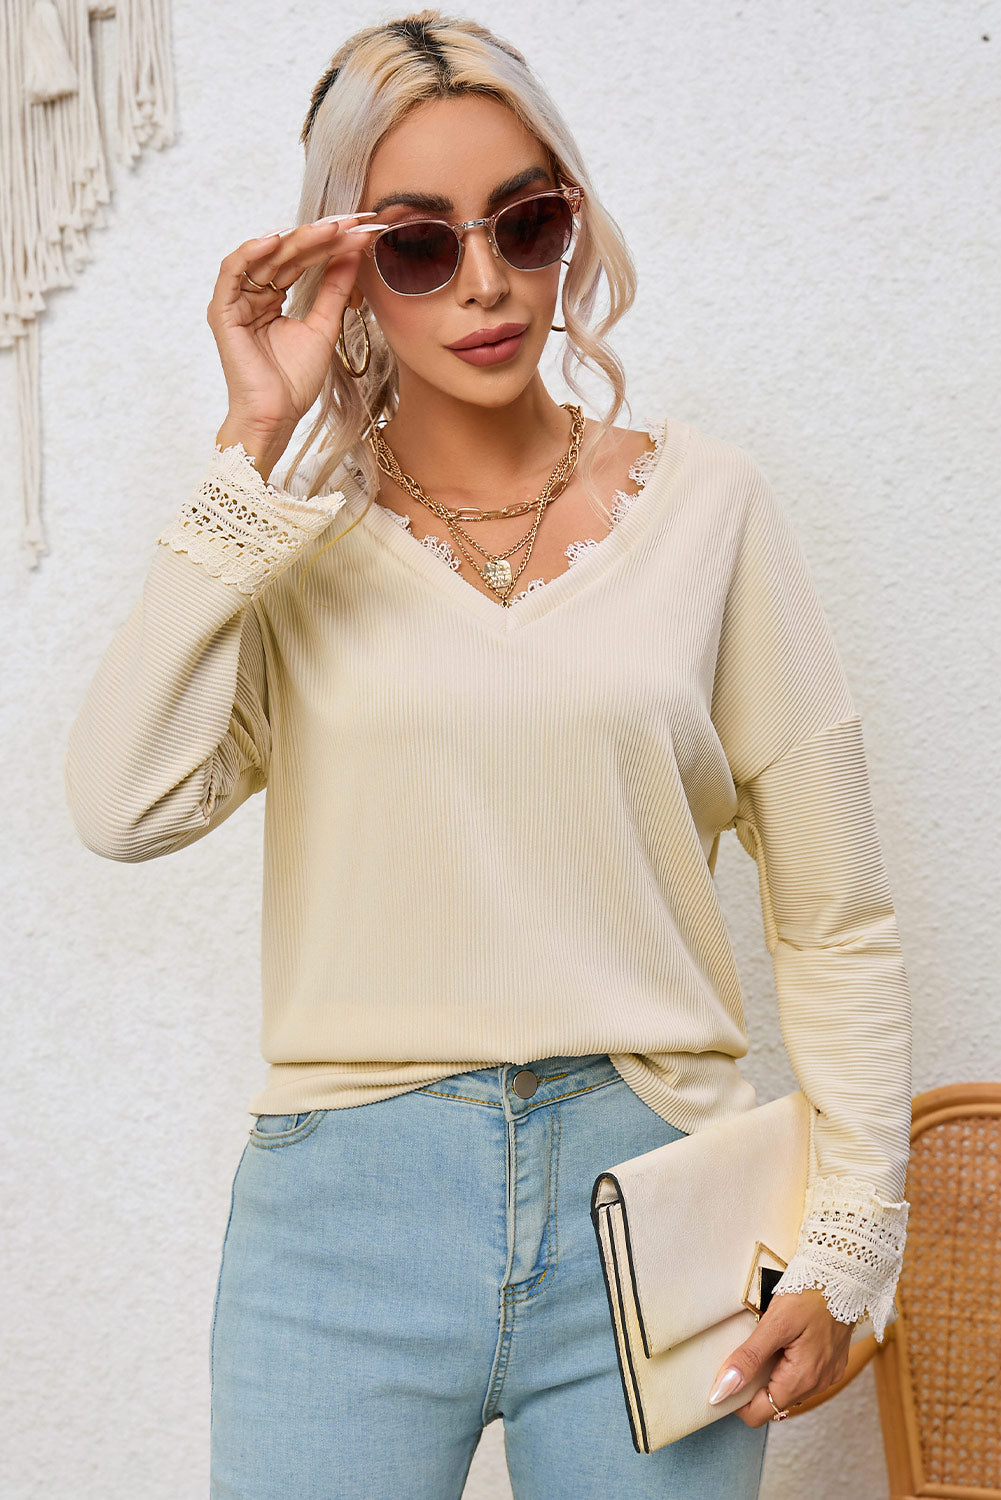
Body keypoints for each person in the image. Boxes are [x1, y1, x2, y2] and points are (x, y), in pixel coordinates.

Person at [63, 10, 913, 1498]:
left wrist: (851, 1241)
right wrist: (252, 441)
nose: (485, 282)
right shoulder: (292, 547)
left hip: (656, 1195)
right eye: (415, 243)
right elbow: (119, 802)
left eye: (526, 223)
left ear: (570, 224)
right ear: (339, 267)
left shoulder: (712, 513)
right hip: (344, 1223)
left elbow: (832, 917)